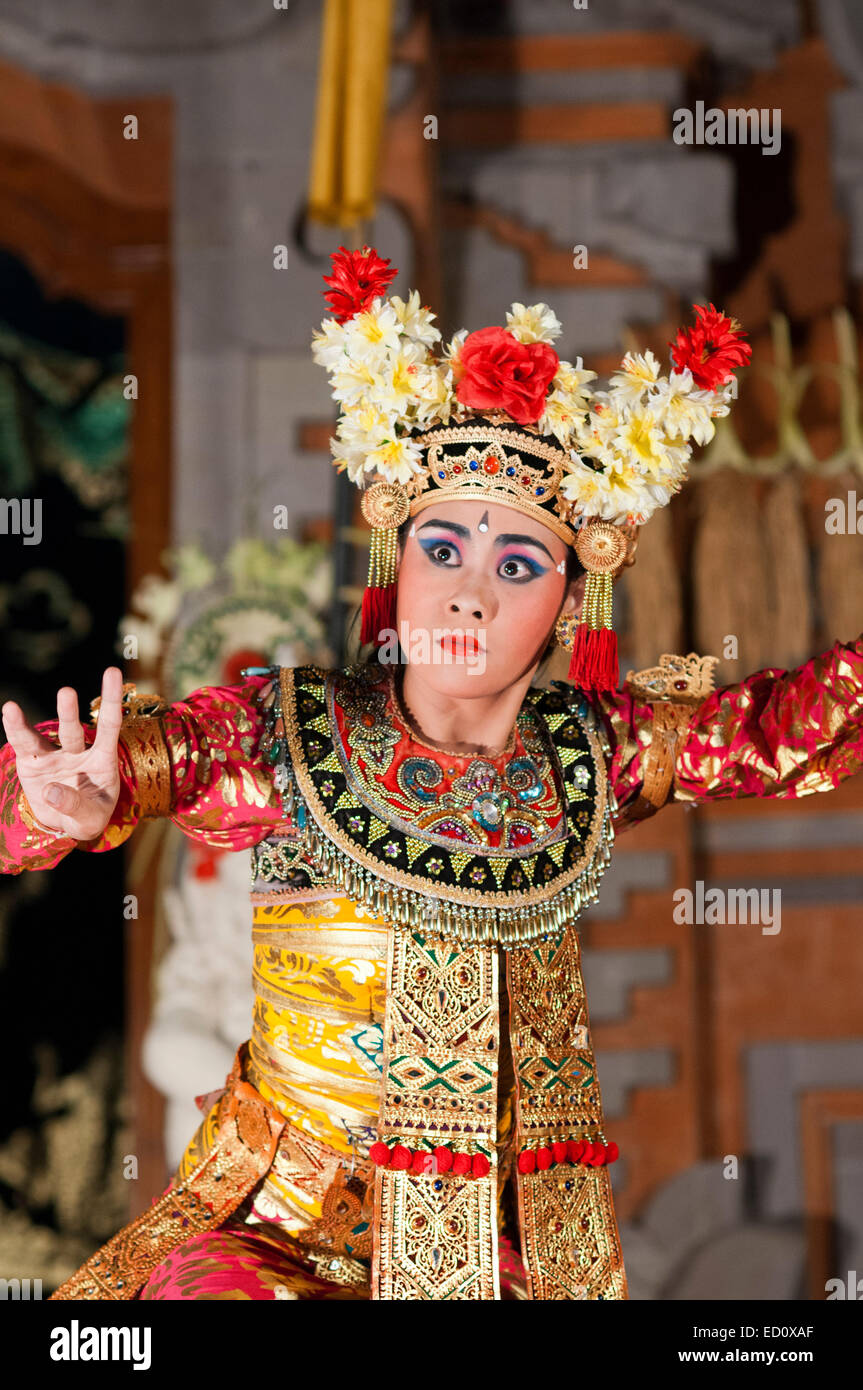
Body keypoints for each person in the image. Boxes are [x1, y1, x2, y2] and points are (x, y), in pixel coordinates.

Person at [2, 249, 861, 1301]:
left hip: (486, 1254)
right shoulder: (285, 735)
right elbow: (125, 769)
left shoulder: (593, 749)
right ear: (396, 560)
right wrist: (69, 807)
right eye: (442, 549)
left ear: (569, 597)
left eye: (514, 567)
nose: (467, 596)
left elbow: (788, 731)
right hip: (277, 1231)